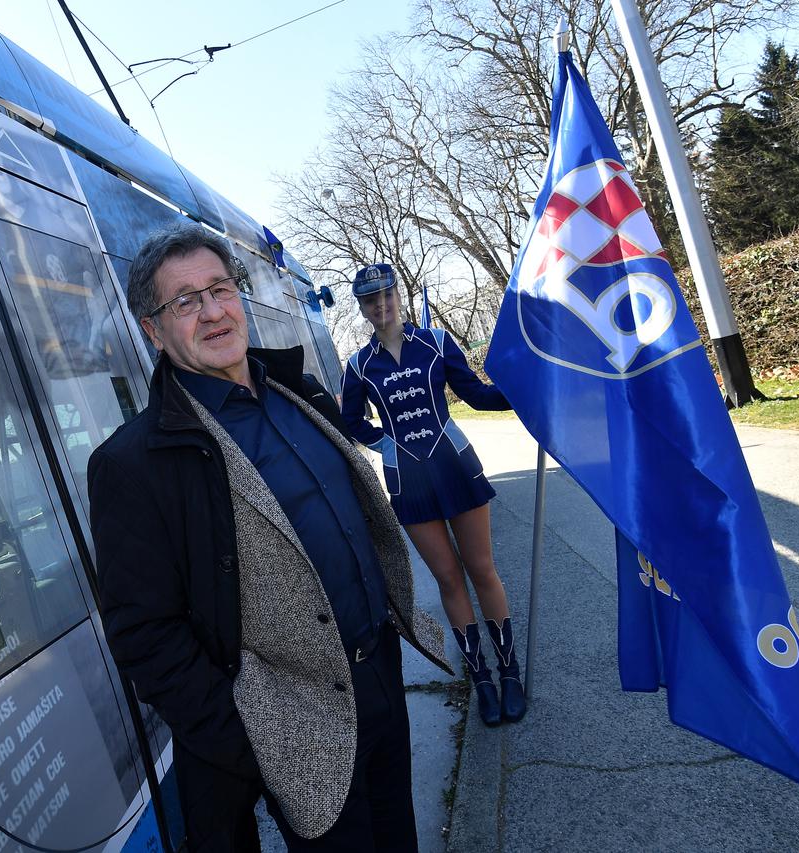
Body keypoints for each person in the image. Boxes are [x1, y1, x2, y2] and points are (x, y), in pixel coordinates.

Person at [87, 224, 456, 852]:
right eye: (184, 302)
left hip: (382, 677)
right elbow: (145, 638)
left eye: (219, 289)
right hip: (296, 725)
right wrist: (254, 740)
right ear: (153, 330)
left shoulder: (298, 392)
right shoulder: (133, 464)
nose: (211, 312)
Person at [340, 263, 527, 728]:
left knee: (482, 569)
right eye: (369, 300)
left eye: (386, 295)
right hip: (407, 480)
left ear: (397, 296)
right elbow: (349, 420)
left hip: (455, 466)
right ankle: (480, 678)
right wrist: (384, 442)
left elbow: (477, 395)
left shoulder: (437, 342)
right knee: (448, 580)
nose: (380, 305)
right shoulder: (359, 365)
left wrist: (525, 394)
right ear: (362, 308)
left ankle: (509, 673)